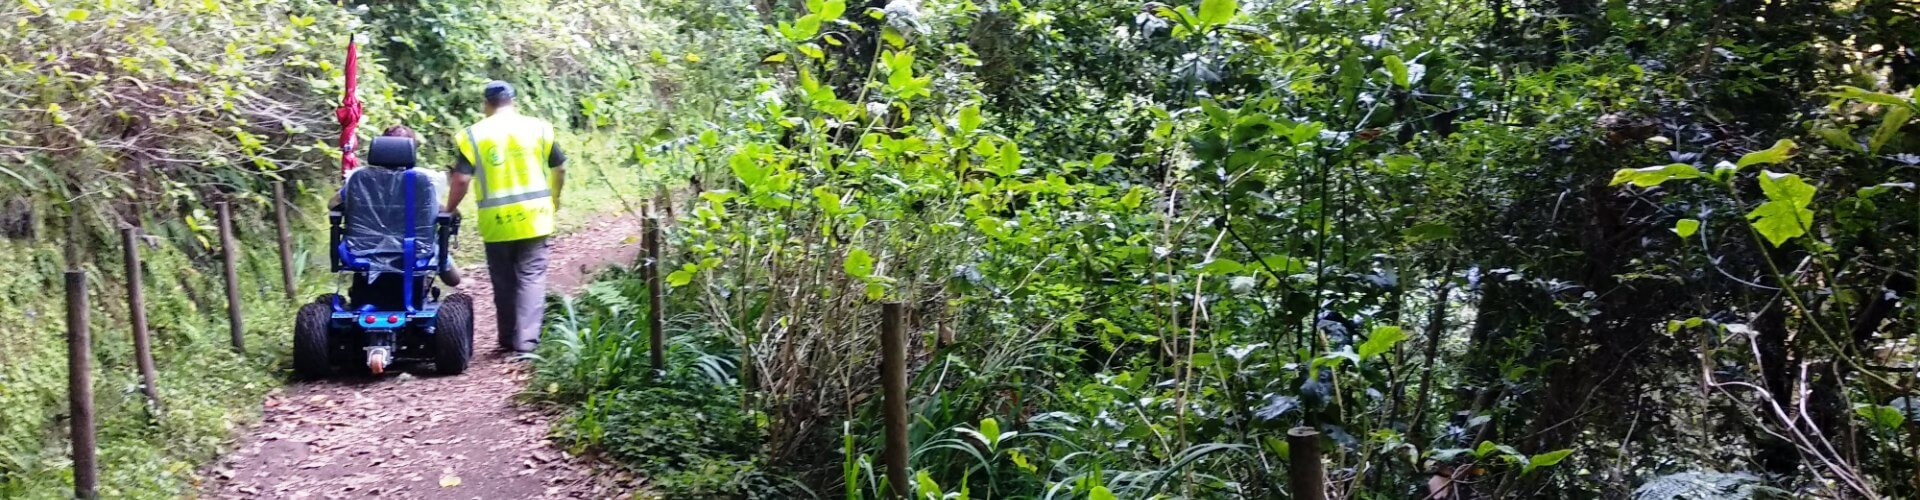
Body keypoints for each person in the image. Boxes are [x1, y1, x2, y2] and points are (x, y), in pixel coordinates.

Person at [443, 81, 567, 354]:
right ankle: (526, 343)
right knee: (531, 277)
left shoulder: (473, 135)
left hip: (496, 221)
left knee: (504, 280)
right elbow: (559, 168)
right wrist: (555, 198)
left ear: (486, 105)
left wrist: (449, 209)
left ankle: (507, 338)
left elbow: (462, 179)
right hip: (536, 217)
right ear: (513, 101)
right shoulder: (538, 128)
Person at [336, 126, 461, 285]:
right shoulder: (421, 181)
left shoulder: (359, 179)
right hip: (414, 251)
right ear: (411, 149)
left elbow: (332, 204)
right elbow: (438, 210)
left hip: (364, 251)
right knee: (454, 280)